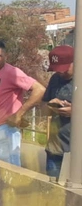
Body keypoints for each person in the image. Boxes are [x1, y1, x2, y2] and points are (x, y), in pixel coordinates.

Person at [0, 39, 45, 168]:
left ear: (5, 56)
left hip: (4, 130)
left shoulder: (12, 72)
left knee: (9, 173)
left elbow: (40, 89)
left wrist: (19, 114)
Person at [42, 45, 73, 179]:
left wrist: (75, 112)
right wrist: (51, 106)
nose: (60, 73)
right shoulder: (55, 79)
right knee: (52, 193)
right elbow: (43, 109)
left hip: (77, 152)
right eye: (57, 69)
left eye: (64, 69)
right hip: (56, 149)